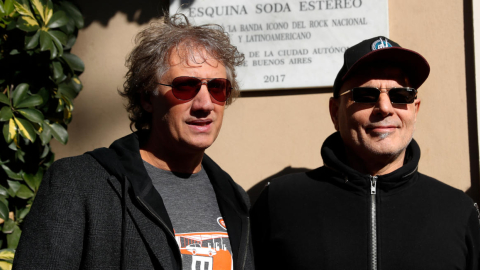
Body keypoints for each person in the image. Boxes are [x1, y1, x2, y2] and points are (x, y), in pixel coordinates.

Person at [13, 13, 254, 270]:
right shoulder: (78, 184)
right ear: (147, 98)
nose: (205, 104)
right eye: (185, 87)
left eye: (217, 88)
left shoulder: (233, 197)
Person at [251, 36, 480, 269]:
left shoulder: (458, 211)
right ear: (335, 112)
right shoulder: (279, 202)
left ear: (415, 109)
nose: (384, 107)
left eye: (401, 96)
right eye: (365, 95)